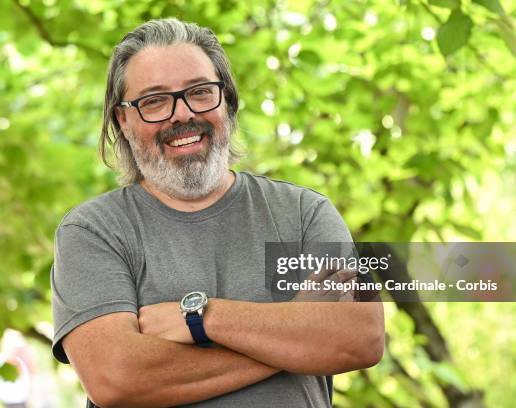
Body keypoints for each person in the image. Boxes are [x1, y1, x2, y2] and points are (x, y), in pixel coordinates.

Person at [51, 18, 385, 408]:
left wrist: (203, 317)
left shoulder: (303, 212)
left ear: (226, 101)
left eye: (200, 91)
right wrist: (292, 333)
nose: (182, 114)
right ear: (123, 120)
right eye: (154, 100)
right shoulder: (93, 231)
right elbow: (117, 379)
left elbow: (359, 338)